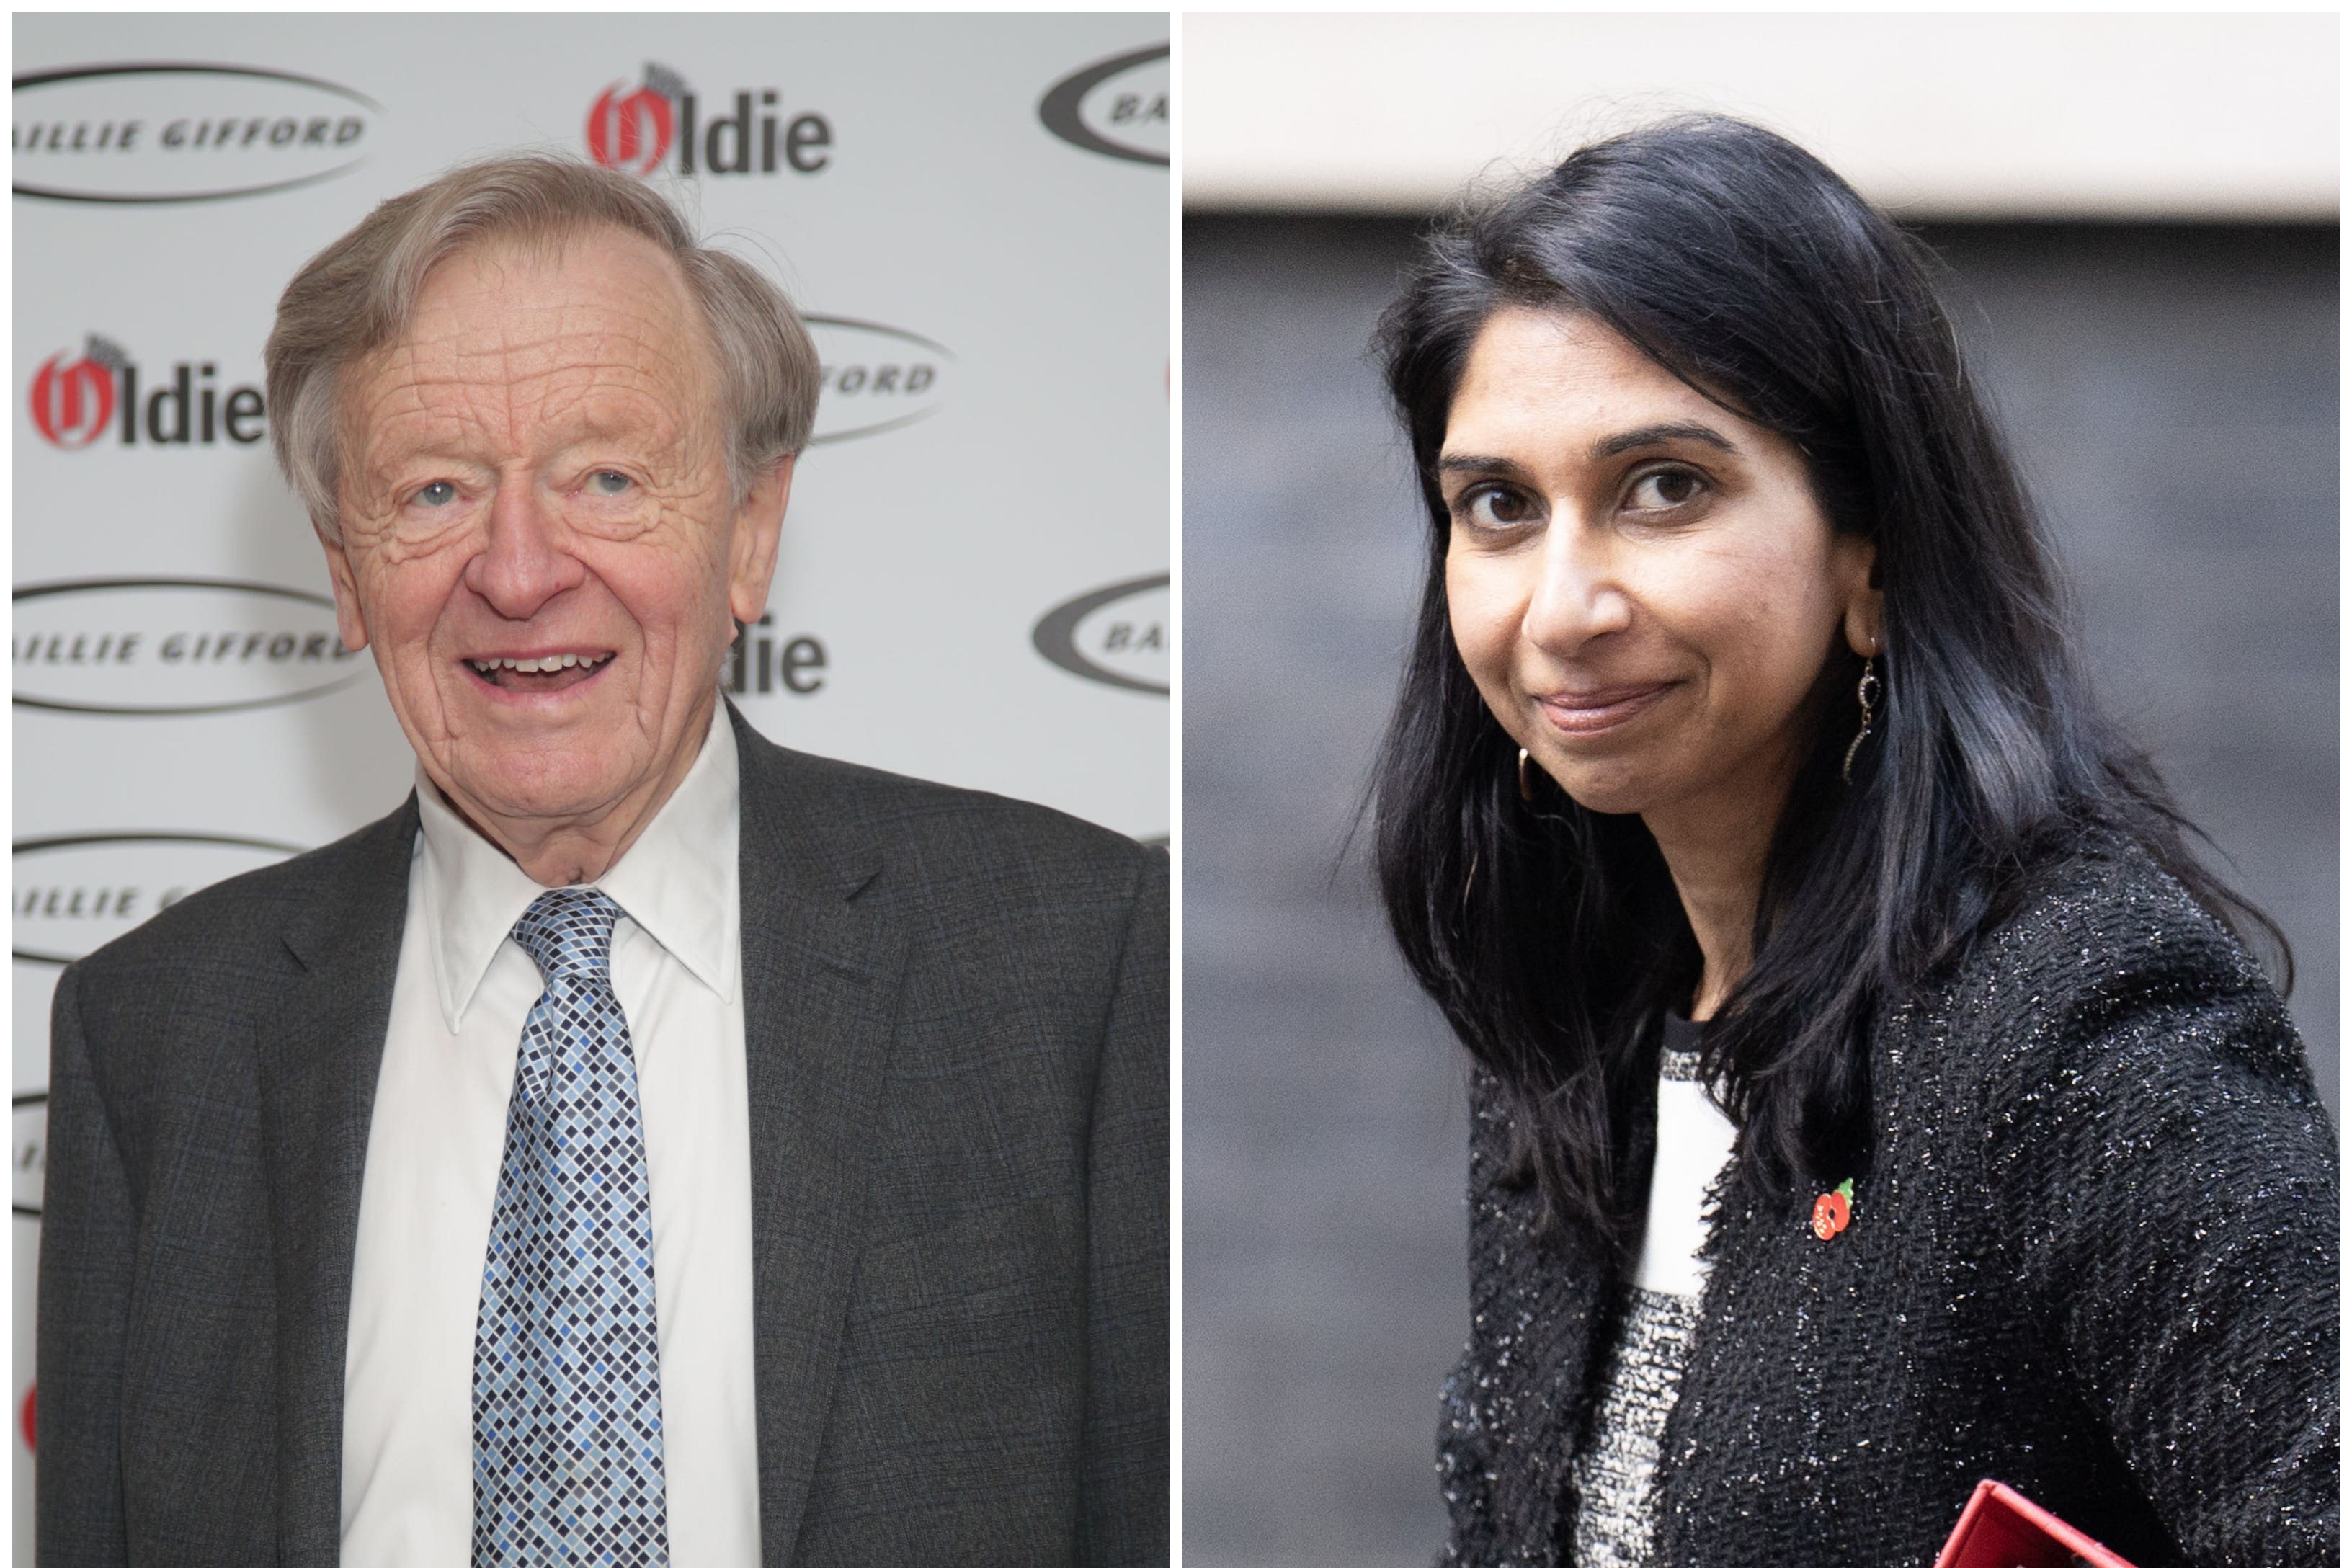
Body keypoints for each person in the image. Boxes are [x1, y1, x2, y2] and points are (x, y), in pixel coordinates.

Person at [37, 154, 1167, 1567]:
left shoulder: (1076, 955)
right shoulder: (151, 1038)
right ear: (343, 567)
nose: (519, 569)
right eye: (437, 489)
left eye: (607, 477)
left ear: (751, 530)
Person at [1368, 115, 2336, 1568]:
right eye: (1499, 507)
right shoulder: (1573, 1036)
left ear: (1870, 552)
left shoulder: (2076, 1018)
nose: (1561, 605)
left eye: (1664, 486)